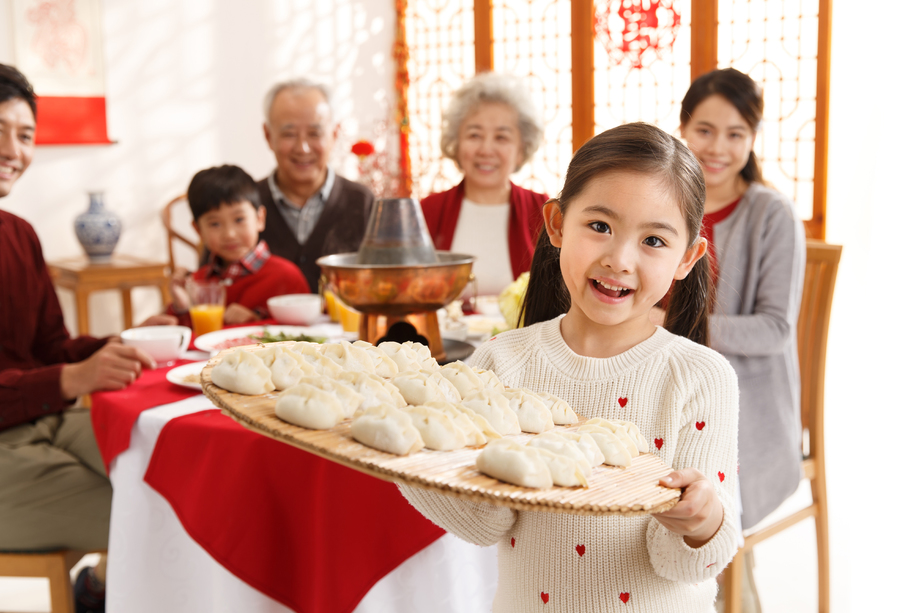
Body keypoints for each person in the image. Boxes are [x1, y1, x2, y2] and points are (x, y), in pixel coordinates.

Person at [400, 123, 740, 612]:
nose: (620, 259)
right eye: (599, 226)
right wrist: (406, 457)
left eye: (653, 241)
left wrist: (702, 521)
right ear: (557, 224)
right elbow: (485, 522)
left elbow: (683, 564)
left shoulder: (700, 377)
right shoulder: (501, 362)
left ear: (688, 258)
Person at [0, 63, 154, 613]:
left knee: (163, 467)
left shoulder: (18, 234)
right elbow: (57, 372)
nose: (13, 150)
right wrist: (70, 378)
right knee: (157, 515)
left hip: (43, 422)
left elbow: (48, 347)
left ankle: (102, 589)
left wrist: (123, 342)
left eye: (24, 135)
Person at [676, 67, 806, 611]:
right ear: (682, 128)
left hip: (748, 415)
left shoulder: (770, 214)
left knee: (695, 508)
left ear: (752, 139)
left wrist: (675, 330)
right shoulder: (669, 202)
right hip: (676, 394)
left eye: (735, 134)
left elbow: (775, 329)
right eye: (704, 130)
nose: (718, 147)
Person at [420, 72, 547, 297]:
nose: (486, 150)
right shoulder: (426, 212)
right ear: (456, 144)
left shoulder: (544, 212)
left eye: (501, 137)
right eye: (474, 135)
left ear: (521, 150)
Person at [142, 165, 310, 327]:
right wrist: (183, 307)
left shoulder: (286, 276)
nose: (229, 234)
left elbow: (306, 333)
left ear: (260, 218)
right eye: (215, 224)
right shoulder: (197, 282)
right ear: (198, 230)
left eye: (239, 220)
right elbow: (183, 341)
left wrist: (255, 320)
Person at [258, 78, 374, 293]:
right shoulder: (245, 203)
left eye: (314, 133)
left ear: (334, 134)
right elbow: (211, 283)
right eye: (289, 134)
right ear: (268, 135)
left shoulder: (363, 203)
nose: (302, 148)